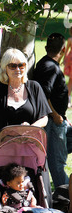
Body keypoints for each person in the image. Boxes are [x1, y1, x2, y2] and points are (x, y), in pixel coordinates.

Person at [0, 48, 51, 139]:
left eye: (21, 65)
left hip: (29, 145)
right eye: (13, 66)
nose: (17, 69)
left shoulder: (34, 87)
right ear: (5, 68)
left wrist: (30, 128)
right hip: (1, 146)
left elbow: (44, 118)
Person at [33, 33, 69, 188]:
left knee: (55, 159)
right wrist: (55, 115)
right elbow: (44, 93)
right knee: (57, 161)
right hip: (53, 121)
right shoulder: (51, 68)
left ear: (46, 47)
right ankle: (67, 194)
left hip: (56, 118)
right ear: (63, 50)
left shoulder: (45, 64)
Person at [64, 26, 72, 106]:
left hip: (70, 59)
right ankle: (68, 99)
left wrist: (65, 60)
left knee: (70, 81)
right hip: (71, 61)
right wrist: (64, 60)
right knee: (71, 81)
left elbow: (66, 52)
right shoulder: (70, 40)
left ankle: (68, 99)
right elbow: (66, 51)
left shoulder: (70, 39)